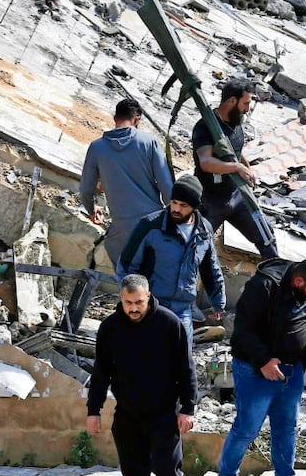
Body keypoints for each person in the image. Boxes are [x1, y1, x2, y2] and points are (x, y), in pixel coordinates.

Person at [218, 258, 306, 476]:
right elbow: (242, 330)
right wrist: (264, 361)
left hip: (292, 372)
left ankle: (285, 475)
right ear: (298, 281)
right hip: (256, 371)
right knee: (246, 430)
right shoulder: (263, 285)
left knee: (286, 428)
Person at [86, 274, 196, 476]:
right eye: (128, 303)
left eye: (139, 302)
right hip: (128, 414)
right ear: (121, 298)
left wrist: (188, 408)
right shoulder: (110, 328)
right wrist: (93, 411)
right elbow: (101, 372)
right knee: (134, 473)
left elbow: (186, 368)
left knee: (168, 472)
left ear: (148, 296)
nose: (133, 308)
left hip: (163, 414)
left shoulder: (169, 323)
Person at [117, 175, 225, 343]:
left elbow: (210, 268)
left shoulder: (204, 231)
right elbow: (126, 267)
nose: (176, 209)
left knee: (181, 362)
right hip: (152, 306)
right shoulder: (150, 226)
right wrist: (134, 303)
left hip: (183, 310)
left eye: (183, 205)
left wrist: (218, 302)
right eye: (174, 202)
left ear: (195, 207)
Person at [79, 98, 173, 265]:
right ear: (137, 119)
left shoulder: (97, 147)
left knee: (128, 281)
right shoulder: (149, 142)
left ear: (115, 118)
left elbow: (86, 190)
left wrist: (92, 210)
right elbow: (167, 188)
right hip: (154, 224)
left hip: (121, 233)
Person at [192, 79, 277, 260]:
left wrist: (246, 167)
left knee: (267, 238)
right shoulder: (206, 127)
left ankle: (273, 281)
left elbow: (235, 152)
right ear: (232, 101)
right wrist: (237, 167)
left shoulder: (236, 122)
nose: (247, 109)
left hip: (236, 197)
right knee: (194, 251)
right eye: (245, 103)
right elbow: (206, 162)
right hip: (209, 201)